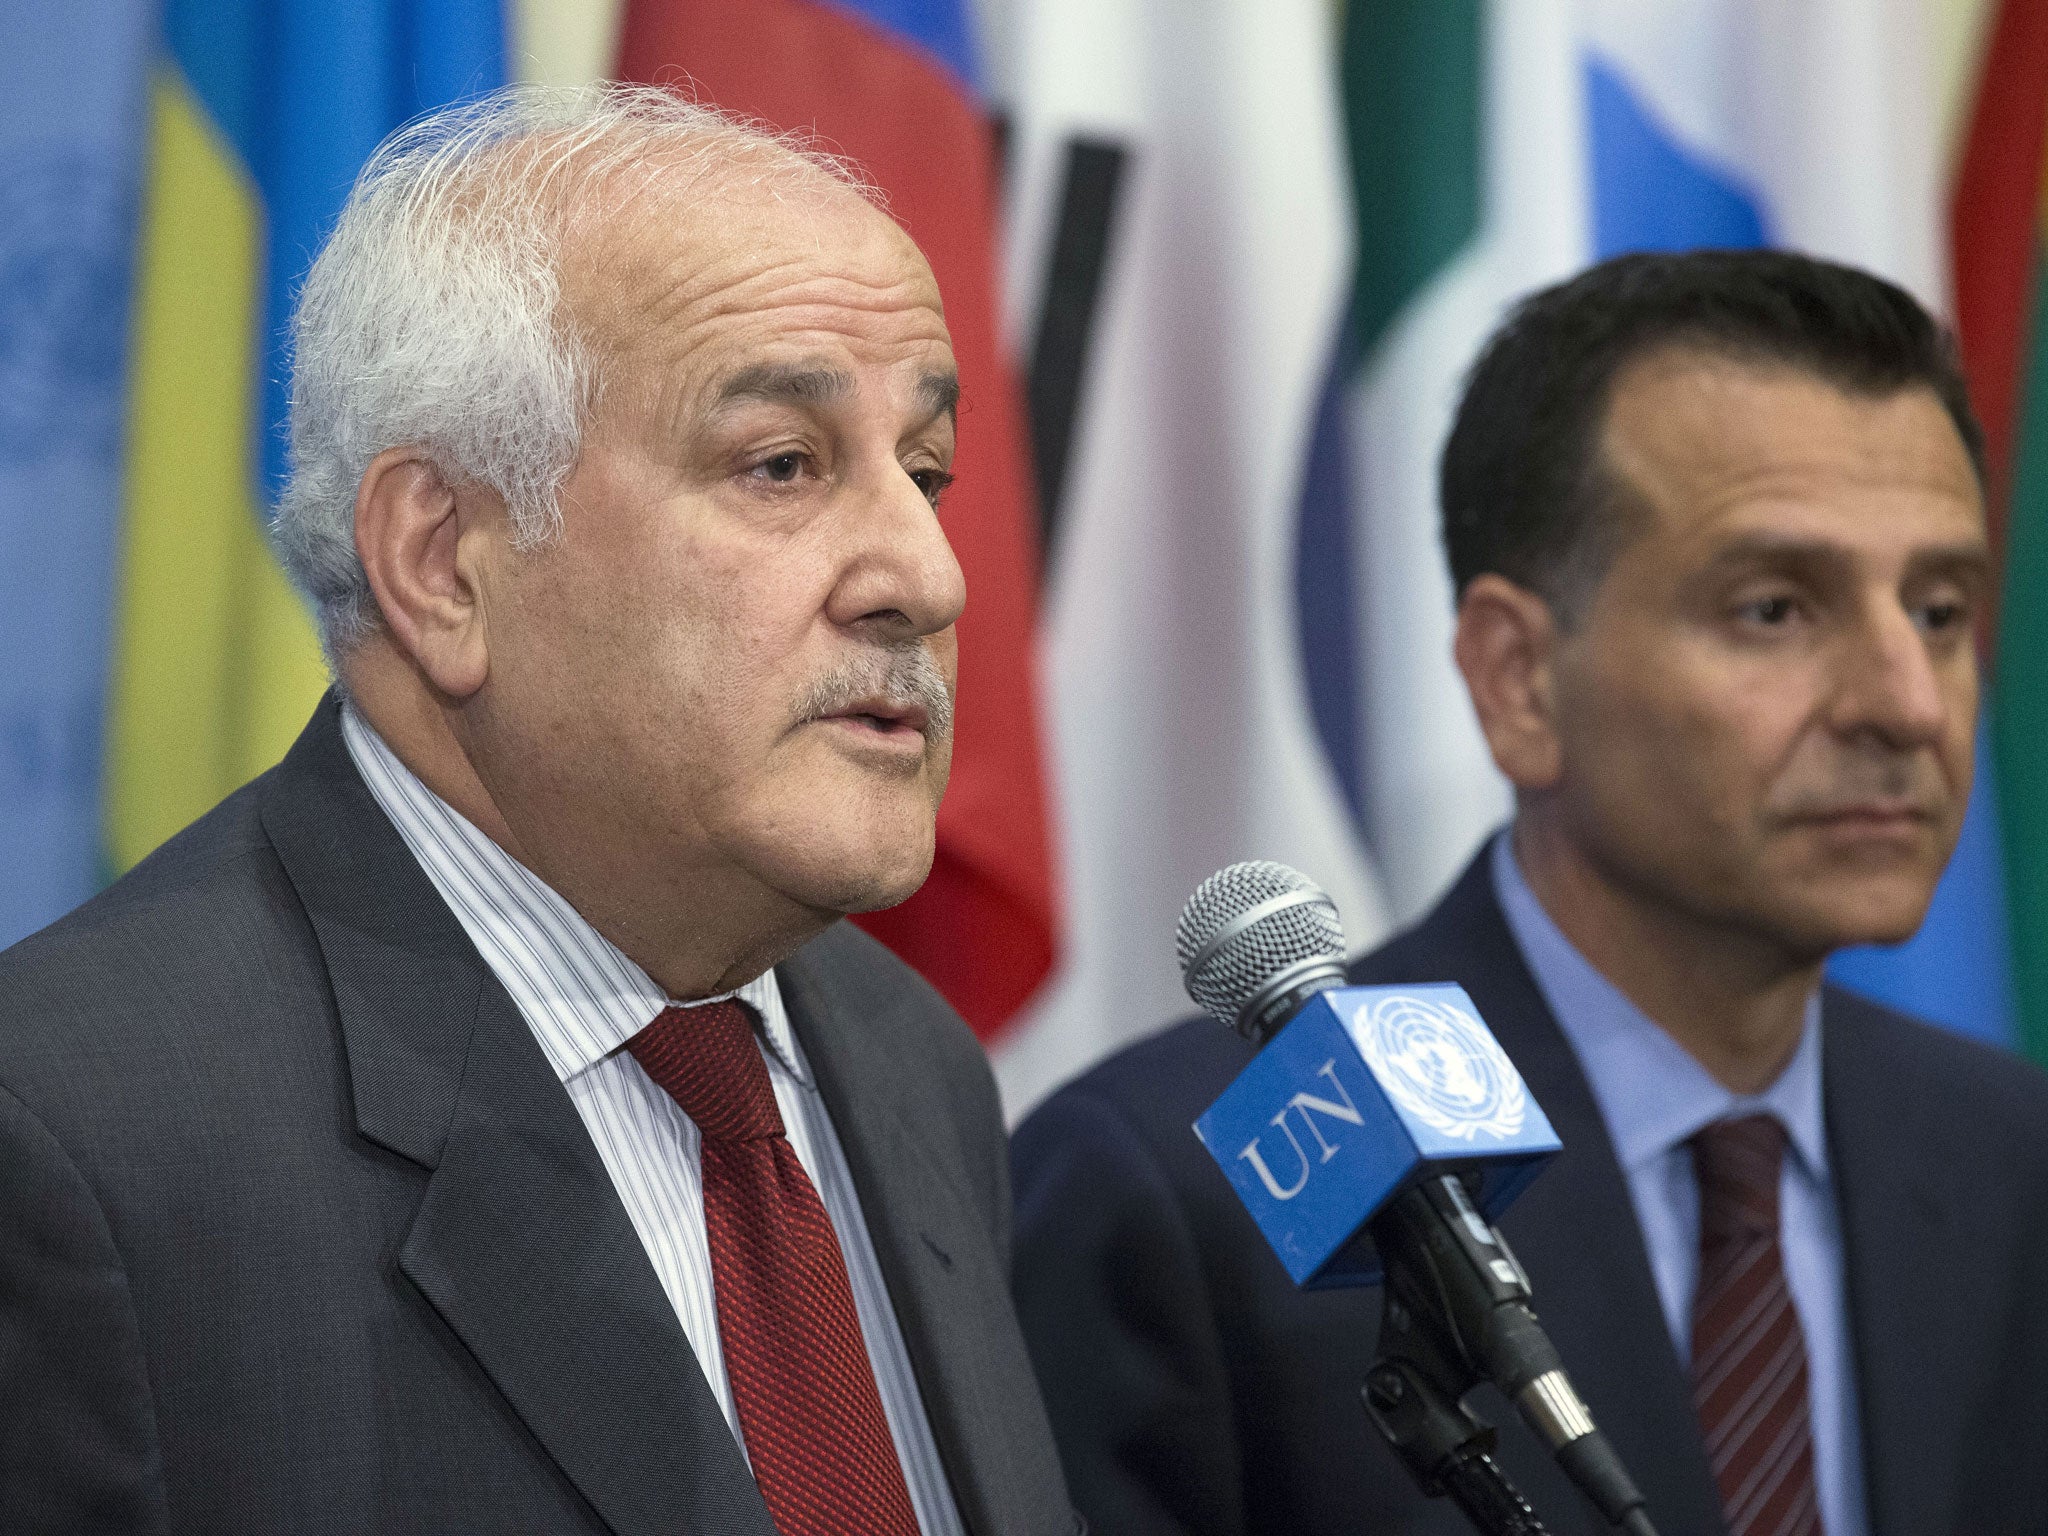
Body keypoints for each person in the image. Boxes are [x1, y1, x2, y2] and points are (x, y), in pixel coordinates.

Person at [0, 84, 1074, 1536]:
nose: (928, 579)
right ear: (442, 563)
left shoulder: (910, 1063)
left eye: (927, 475)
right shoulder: (77, 1147)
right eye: (781, 465)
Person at [1011, 250, 2048, 1536]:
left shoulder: (2009, 1154)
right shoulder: (1187, 1197)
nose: (1903, 703)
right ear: (1516, 680)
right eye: (1776, 609)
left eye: (1938, 610)